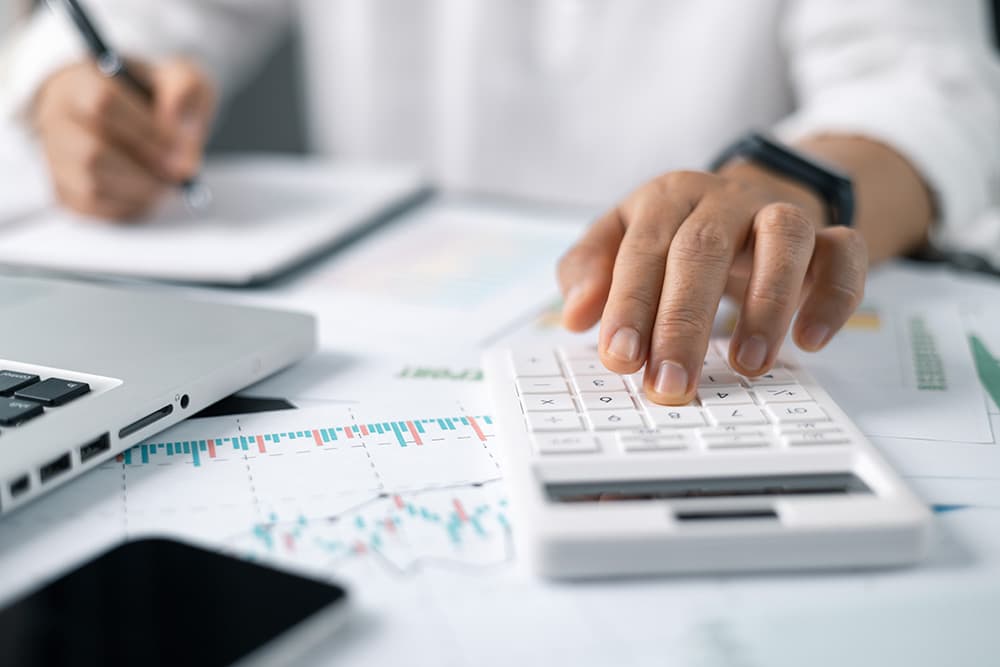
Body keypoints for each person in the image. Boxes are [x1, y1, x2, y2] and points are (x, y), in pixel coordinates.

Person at [2, 1, 999, 405]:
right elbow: (136, 22)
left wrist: (791, 182)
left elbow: (927, 89)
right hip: (382, 342)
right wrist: (73, 97)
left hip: (725, 294)